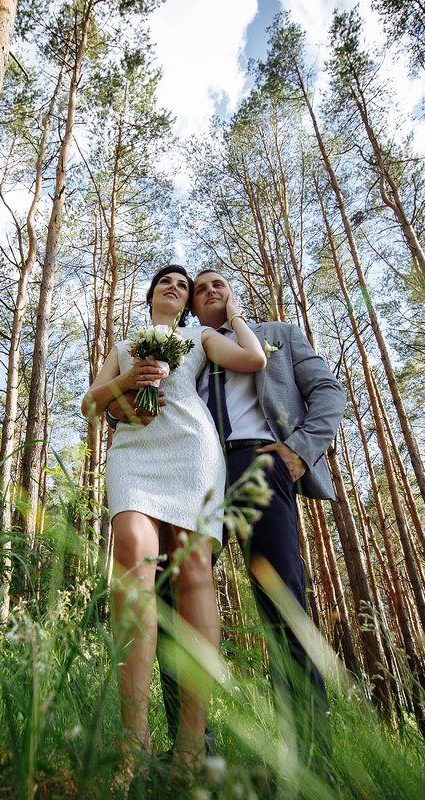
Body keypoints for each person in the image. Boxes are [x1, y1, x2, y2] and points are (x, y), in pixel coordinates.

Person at [109, 268, 347, 767]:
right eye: (202, 288)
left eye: (219, 284)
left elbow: (328, 392)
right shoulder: (183, 343)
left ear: (232, 293)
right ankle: (191, 748)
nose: (210, 291)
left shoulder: (278, 334)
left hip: (264, 464)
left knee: (281, 601)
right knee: (176, 597)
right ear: (191, 306)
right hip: (197, 467)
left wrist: (300, 452)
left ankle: (310, 762)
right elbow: (130, 399)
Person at [81, 264, 267, 781]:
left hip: (192, 451)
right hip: (134, 457)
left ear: (188, 303)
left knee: (194, 578)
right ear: (150, 294)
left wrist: (232, 313)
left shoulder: (199, 335)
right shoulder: (122, 345)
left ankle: (189, 748)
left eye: (184, 285)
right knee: (130, 568)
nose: (175, 286)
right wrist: (126, 379)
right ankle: (131, 742)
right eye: (167, 280)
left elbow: (252, 358)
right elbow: (89, 405)